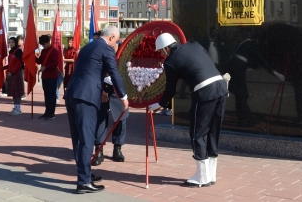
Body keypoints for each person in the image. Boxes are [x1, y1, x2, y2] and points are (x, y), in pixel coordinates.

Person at [148, 33, 229, 187]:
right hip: (221, 88)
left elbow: (170, 90)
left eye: (161, 51)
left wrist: (160, 104)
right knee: (213, 132)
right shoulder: (195, 45)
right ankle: (211, 175)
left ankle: (202, 177)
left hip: (204, 92)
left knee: (197, 134)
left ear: (166, 48)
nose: (162, 54)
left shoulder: (170, 61)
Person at [64, 25, 129, 194]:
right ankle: (84, 182)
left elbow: (89, 71)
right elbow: (114, 73)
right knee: (86, 139)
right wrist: (123, 97)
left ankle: (85, 173)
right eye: (116, 42)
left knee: (78, 139)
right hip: (86, 97)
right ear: (112, 38)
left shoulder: (87, 47)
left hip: (72, 94)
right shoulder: (106, 49)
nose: (116, 45)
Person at [93, 40, 127, 165]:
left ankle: (117, 148)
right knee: (100, 119)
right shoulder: (100, 54)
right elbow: (94, 73)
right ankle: (99, 149)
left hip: (118, 92)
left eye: (115, 45)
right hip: (102, 91)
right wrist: (101, 90)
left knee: (121, 119)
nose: (113, 47)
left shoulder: (124, 57)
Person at [36, 35, 60, 120]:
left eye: (44, 44)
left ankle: (51, 113)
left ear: (48, 42)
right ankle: (47, 111)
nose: (43, 46)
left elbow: (55, 64)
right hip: (45, 76)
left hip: (52, 76)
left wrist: (46, 67)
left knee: (51, 95)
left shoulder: (54, 51)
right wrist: (33, 56)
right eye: (42, 45)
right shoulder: (43, 51)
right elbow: (39, 61)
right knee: (46, 95)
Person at [6, 37, 25, 115]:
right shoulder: (11, 52)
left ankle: (18, 108)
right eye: (9, 42)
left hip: (17, 73)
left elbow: (18, 64)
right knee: (13, 92)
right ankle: (15, 107)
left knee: (17, 92)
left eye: (12, 42)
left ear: (16, 43)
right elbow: (10, 63)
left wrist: (12, 72)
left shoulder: (18, 51)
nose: (11, 44)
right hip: (11, 73)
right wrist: (4, 68)